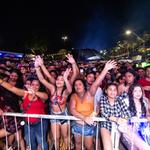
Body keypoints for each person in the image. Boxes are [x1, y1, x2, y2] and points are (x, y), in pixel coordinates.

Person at [69, 60, 117, 150]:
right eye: (75, 85)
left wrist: (105, 69)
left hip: (88, 126)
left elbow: (96, 83)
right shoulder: (73, 96)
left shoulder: (90, 93)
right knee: (78, 145)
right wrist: (84, 118)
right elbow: (72, 110)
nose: (77, 86)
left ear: (84, 86)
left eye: (80, 84)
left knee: (89, 147)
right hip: (77, 125)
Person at [35, 54, 79, 150]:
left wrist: (73, 64)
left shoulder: (66, 92)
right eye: (58, 79)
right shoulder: (52, 89)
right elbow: (42, 79)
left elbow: (70, 88)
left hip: (63, 115)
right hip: (53, 116)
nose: (59, 81)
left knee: (66, 137)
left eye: (61, 80)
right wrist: (38, 67)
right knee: (56, 138)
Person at [0, 78, 49, 150]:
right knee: (30, 142)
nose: (35, 86)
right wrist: (1, 81)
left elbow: (46, 97)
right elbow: (12, 88)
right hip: (28, 123)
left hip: (40, 123)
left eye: (37, 85)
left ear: (40, 87)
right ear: (30, 85)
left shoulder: (42, 95)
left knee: (41, 142)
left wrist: (34, 92)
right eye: (33, 84)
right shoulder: (25, 93)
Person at [99, 83, 131, 150]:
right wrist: (116, 119)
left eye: (114, 90)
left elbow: (127, 113)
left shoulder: (120, 99)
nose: (112, 92)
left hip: (118, 127)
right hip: (106, 125)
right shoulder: (103, 98)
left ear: (117, 91)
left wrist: (122, 118)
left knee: (116, 147)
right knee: (108, 148)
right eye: (110, 89)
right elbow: (104, 113)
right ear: (106, 91)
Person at [119, 84, 150, 150]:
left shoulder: (144, 102)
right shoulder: (126, 101)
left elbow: (147, 114)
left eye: (140, 91)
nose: (138, 93)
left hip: (142, 129)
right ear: (131, 92)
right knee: (145, 147)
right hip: (129, 129)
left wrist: (147, 116)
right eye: (135, 91)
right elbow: (121, 116)